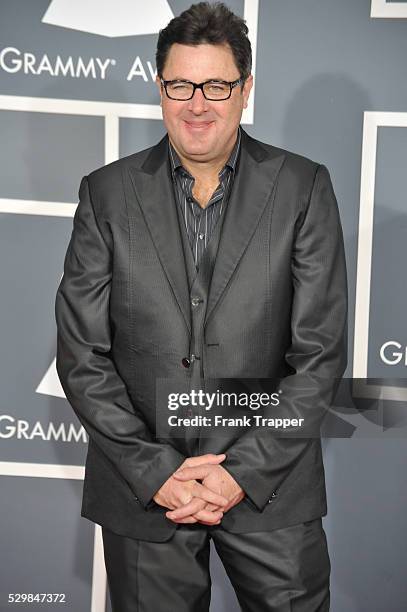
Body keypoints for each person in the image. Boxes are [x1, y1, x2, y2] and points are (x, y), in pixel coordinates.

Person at [55, 2, 348, 610]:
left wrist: (239, 473)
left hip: (271, 491)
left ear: (245, 90)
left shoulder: (303, 188)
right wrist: (156, 470)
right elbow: (82, 354)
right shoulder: (105, 194)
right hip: (144, 493)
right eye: (181, 84)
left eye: (216, 85)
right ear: (159, 87)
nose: (197, 103)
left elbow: (318, 355)